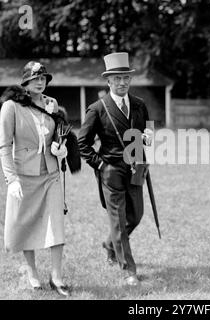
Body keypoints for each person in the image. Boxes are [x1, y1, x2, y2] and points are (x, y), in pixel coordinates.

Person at [78, 52, 153, 286]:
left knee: (136, 215)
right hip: (110, 170)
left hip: (136, 168)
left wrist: (149, 136)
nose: (122, 83)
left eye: (126, 78)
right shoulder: (97, 109)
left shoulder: (140, 105)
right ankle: (129, 269)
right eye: (117, 78)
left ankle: (110, 245)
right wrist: (100, 165)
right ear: (108, 81)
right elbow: (82, 143)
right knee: (119, 221)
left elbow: (148, 128)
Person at [0, 62, 70, 296]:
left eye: (44, 78)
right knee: (26, 223)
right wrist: (12, 180)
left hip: (50, 174)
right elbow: (4, 146)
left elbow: (58, 135)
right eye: (35, 78)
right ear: (25, 81)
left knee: (56, 224)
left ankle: (57, 277)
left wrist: (61, 149)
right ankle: (32, 273)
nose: (40, 82)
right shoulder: (11, 107)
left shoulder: (52, 104)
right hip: (23, 175)